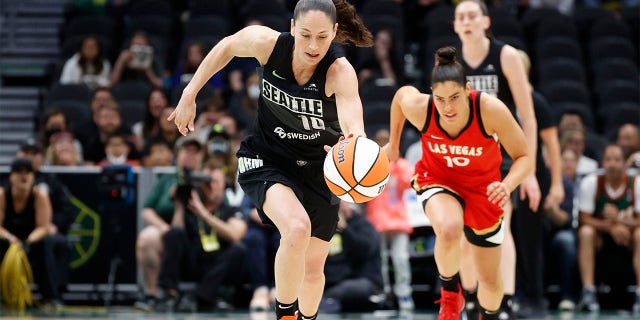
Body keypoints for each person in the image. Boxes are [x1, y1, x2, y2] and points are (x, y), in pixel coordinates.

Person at [169, 1, 373, 319]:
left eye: (322, 36)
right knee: (296, 227)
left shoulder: (339, 72)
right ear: (292, 27)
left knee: (313, 266)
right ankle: (285, 314)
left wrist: (352, 145)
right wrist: (189, 94)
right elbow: (226, 47)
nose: (314, 45)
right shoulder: (268, 44)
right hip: (267, 158)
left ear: (334, 32)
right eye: (306, 35)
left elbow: (354, 124)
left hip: (319, 170)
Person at [384, 46, 533, 320]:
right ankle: (451, 298)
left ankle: (488, 315)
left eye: (454, 97)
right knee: (449, 228)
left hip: (483, 189)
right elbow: (399, 97)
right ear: (431, 93)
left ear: (467, 89)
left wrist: (508, 185)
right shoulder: (422, 108)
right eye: (440, 99)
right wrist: (393, 145)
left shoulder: (490, 109)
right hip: (438, 179)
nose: (448, 107)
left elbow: (524, 157)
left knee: (489, 279)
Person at [452, 1, 540, 318]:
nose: (466, 21)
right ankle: (472, 299)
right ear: (455, 25)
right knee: (464, 233)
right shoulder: (450, 61)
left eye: (472, 15)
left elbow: (527, 118)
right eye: (460, 17)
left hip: (499, 157)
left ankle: (505, 302)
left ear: (486, 21)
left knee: (501, 225)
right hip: (460, 157)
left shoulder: (506, 56)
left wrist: (527, 170)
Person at [510, 50, 564, 317]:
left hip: (533, 177)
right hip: (506, 175)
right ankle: (513, 294)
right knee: (508, 237)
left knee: (530, 239)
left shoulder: (536, 101)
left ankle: (536, 298)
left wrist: (556, 185)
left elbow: (552, 146)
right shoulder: (505, 102)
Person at [156, 162, 248, 312]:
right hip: (194, 260)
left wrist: (203, 213)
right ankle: (169, 294)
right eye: (206, 181)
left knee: (238, 250)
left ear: (224, 185)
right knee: (173, 234)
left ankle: (201, 296)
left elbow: (235, 235)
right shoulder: (190, 207)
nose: (209, 185)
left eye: (215, 182)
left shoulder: (231, 209)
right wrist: (180, 204)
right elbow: (176, 232)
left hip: (218, 264)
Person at [133, 136, 204, 311]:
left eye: (196, 153)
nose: (191, 156)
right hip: (171, 234)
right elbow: (147, 209)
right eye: (187, 151)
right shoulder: (167, 179)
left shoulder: (207, 179)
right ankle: (154, 293)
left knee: (176, 234)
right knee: (149, 237)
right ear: (177, 155)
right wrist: (164, 225)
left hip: (201, 236)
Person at [577, 144, 640, 313]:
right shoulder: (591, 182)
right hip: (600, 239)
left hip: (629, 239)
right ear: (602, 163)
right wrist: (611, 227)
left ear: (624, 162)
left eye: (617, 160)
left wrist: (619, 221)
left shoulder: (636, 183)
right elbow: (583, 219)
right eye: (609, 160)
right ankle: (588, 292)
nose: (613, 164)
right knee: (586, 232)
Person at [0, 158, 61, 307]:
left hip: (31, 239)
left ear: (33, 176)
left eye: (27, 172)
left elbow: (44, 227)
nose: (24, 176)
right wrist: (10, 238)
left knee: (46, 244)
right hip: (6, 238)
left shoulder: (40, 195)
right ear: (11, 176)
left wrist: (28, 241)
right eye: (19, 172)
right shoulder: (2, 195)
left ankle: (50, 297)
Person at [366, 128, 415, 310]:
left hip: (398, 220)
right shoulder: (369, 164)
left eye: (386, 140)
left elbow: (410, 182)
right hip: (377, 219)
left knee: (401, 258)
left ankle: (404, 294)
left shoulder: (400, 164)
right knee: (380, 260)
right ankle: (384, 292)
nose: (383, 143)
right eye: (380, 140)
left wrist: (395, 162)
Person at [319, 201, 384, 313]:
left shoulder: (363, 224)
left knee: (353, 289)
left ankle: (324, 302)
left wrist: (345, 228)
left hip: (362, 280)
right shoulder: (327, 229)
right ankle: (325, 302)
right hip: (334, 284)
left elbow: (364, 251)